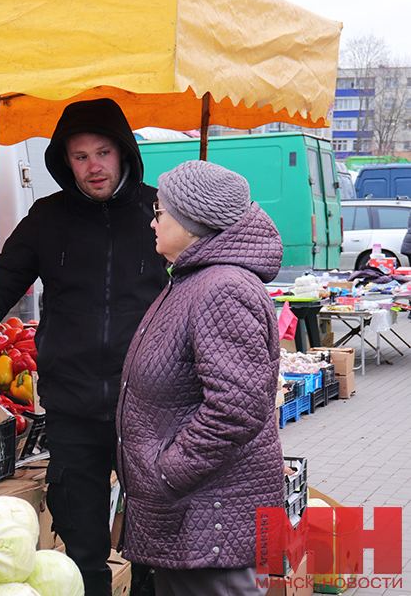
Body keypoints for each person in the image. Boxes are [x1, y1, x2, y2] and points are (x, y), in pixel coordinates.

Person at [0, 98, 169, 596]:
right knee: (81, 540)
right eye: (80, 155)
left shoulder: (158, 213)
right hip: (73, 407)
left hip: (149, 410)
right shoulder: (49, 218)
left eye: (104, 152)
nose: (93, 167)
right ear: (65, 161)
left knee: (156, 542)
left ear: (125, 153)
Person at [116, 160, 284, 596]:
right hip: (194, 516)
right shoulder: (194, 281)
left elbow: (236, 410)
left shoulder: (221, 288)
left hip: (212, 521)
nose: (152, 222)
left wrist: (168, 473)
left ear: (193, 223)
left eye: (160, 212)